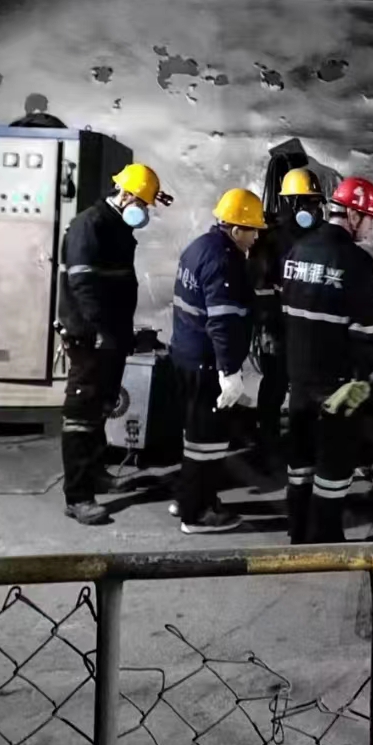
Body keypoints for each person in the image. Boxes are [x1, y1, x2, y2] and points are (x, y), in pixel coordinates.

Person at [57, 162, 166, 525]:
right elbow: (83, 283)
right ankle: (78, 497)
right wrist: (100, 329)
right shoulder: (89, 224)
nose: (145, 211)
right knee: (82, 414)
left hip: (111, 334)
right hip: (90, 335)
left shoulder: (116, 224)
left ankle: (95, 474)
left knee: (102, 406)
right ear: (126, 195)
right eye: (143, 203)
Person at [281, 176, 373, 544]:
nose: (372, 228)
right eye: (370, 219)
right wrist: (360, 376)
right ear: (354, 215)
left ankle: (298, 536)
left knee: (300, 462)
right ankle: (325, 541)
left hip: (298, 379)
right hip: (337, 383)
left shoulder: (297, 251)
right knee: (334, 466)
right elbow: (365, 328)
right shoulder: (355, 261)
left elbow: (284, 314)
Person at [170, 187, 265, 533]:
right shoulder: (225, 261)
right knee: (207, 442)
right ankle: (197, 515)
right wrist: (229, 371)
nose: (256, 238)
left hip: (185, 355)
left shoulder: (198, 247)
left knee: (194, 436)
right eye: (252, 230)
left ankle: (189, 498)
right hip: (206, 362)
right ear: (236, 229)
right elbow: (222, 322)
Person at [247, 167, 325, 466]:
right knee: (275, 384)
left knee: (307, 385)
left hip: (308, 326)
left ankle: (302, 441)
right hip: (278, 325)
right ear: (291, 203)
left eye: (315, 202)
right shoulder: (271, 239)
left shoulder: (319, 236)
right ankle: (266, 443)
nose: (312, 209)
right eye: (306, 202)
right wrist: (266, 327)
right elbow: (260, 287)